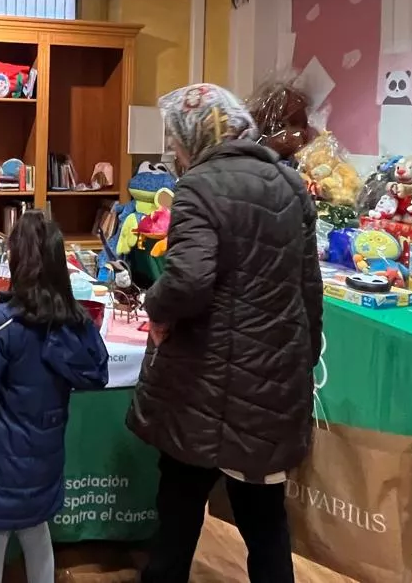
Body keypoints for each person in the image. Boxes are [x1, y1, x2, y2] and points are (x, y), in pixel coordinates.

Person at [127, 83, 323, 583]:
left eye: (175, 140)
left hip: (207, 387)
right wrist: (299, 360)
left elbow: (189, 280)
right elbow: (308, 287)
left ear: (196, 135)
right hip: (274, 382)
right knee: (265, 521)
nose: (172, 151)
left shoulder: (199, 185)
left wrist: (155, 306)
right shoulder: (290, 183)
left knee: (179, 513)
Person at [0, 211, 108, 583]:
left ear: (16, 260)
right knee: (37, 536)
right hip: (44, 460)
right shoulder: (74, 321)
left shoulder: (3, 323)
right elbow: (98, 369)